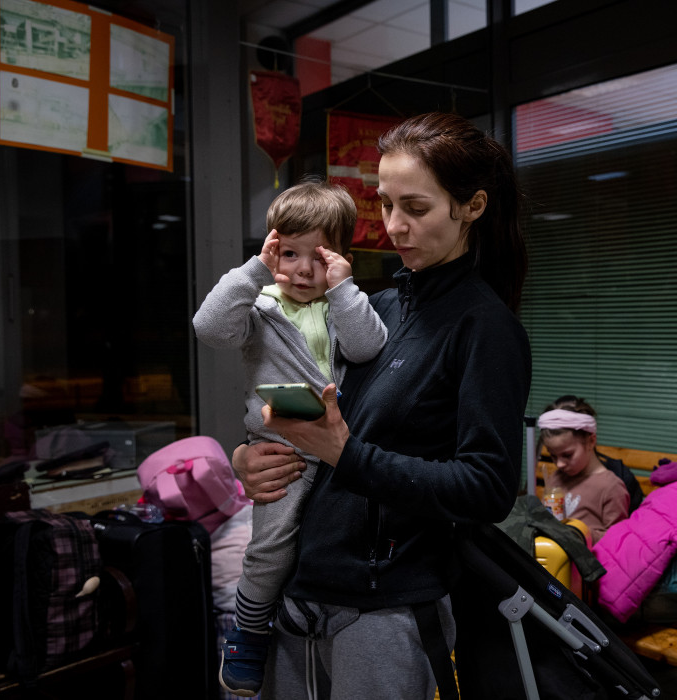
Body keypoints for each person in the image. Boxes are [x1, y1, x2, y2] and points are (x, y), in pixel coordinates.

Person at [229, 112, 531, 700]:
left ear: (471, 206)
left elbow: (488, 488)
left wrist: (348, 455)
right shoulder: (374, 308)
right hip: (300, 591)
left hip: (386, 606)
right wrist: (247, 457)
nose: (394, 226)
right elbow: (313, 410)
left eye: (415, 208)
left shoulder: (486, 328)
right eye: (386, 204)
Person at [193, 178, 388, 697]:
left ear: (341, 258)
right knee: (272, 546)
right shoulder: (259, 307)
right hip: (282, 450)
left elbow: (369, 349)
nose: (302, 270)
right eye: (289, 253)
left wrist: (345, 289)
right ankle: (249, 629)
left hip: (341, 447)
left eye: (318, 257)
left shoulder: (344, 304)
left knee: (326, 545)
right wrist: (256, 269)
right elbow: (209, 328)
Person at [538, 396, 631, 543]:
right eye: (553, 456)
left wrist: (579, 533)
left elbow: (617, 542)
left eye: (567, 455)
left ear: (591, 441)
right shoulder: (556, 478)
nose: (559, 464)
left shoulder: (611, 487)